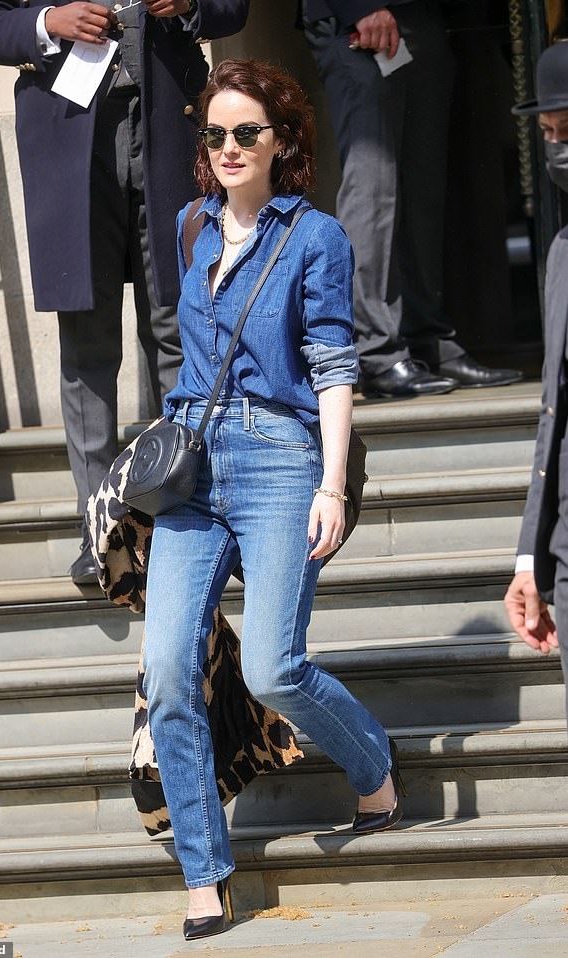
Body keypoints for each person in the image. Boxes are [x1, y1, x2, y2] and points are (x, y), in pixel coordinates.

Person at [141, 57, 404, 942]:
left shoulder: (315, 236)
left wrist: (331, 482)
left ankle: (372, 764)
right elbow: (184, 353)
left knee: (270, 668)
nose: (227, 147)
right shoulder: (188, 228)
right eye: (213, 133)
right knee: (169, 672)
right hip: (193, 469)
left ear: (282, 140)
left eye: (246, 131)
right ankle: (205, 873)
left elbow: (333, 366)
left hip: (280, 459)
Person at [0, 0, 249, 582]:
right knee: (87, 346)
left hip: (170, 125)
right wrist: (49, 21)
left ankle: (192, 517)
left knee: (179, 330)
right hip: (68, 138)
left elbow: (232, 7)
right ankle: (103, 530)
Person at [300, 0, 523, 398]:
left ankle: (428, 340)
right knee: (374, 189)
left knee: (423, 192)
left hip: (423, 17)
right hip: (359, 20)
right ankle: (377, 352)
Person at [504, 41, 568, 720]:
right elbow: (554, 416)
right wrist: (531, 559)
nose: (558, 150)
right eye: (548, 134)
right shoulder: (560, 254)